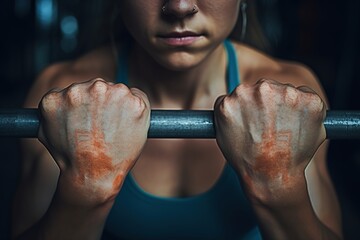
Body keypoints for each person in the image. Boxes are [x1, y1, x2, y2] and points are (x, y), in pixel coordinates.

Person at [12, 0, 342, 239]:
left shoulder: (295, 93)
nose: (180, 7)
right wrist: (85, 187)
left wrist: (278, 186)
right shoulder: (59, 96)